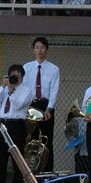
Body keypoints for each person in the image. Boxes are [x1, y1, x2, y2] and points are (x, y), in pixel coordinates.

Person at [0, 64, 31, 183]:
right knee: (1, 156)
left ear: (22, 76)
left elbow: (17, 106)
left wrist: (12, 92)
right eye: (12, 74)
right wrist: (3, 86)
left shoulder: (26, 91)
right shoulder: (6, 88)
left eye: (17, 74)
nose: (14, 77)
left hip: (17, 125)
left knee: (17, 156)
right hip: (4, 124)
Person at [23, 37, 60, 172]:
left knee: (46, 141)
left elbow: (54, 90)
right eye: (37, 47)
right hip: (30, 106)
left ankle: (47, 172)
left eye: (42, 47)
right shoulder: (26, 67)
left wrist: (49, 108)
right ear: (33, 49)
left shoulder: (54, 69)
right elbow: (24, 89)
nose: (40, 50)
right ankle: (31, 172)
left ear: (47, 49)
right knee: (30, 141)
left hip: (46, 106)